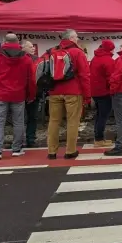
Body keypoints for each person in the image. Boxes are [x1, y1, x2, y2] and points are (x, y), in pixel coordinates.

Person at [0, 34, 36, 160]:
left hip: (0, 93)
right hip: (18, 94)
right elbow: (31, 79)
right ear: (17, 42)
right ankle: (16, 149)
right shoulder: (26, 58)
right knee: (18, 122)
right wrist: (30, 94)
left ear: (4, 42)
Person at [45, 29, 91, 160]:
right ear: (71, 38)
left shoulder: (52, 51)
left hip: (54, 91)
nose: (78, 39)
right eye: (76, 37)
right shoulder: (78, 52)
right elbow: (84, 75)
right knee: (72, 121)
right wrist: (87, 96)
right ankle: (70, 150)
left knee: (54, 121)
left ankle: (51, 151)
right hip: (73, 91)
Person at [89, 39, 116, 148]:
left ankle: (98, 137)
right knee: (103, 116)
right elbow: (111, 78)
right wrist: (113, 90)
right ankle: (99, 139)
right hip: (104, 92)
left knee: (99, 114)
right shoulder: (108, 60)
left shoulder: (95, 58)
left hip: (95, 91)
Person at [21, 41, 40, 148]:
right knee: (20, 118)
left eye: (33, 46)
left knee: (33, 117)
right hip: (21, 93)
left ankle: (31, 139)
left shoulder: (37, 59)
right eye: (30, 46)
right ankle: (21, 139)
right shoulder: (19, 59)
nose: (33, 48)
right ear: (22, 48)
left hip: (34, 93)